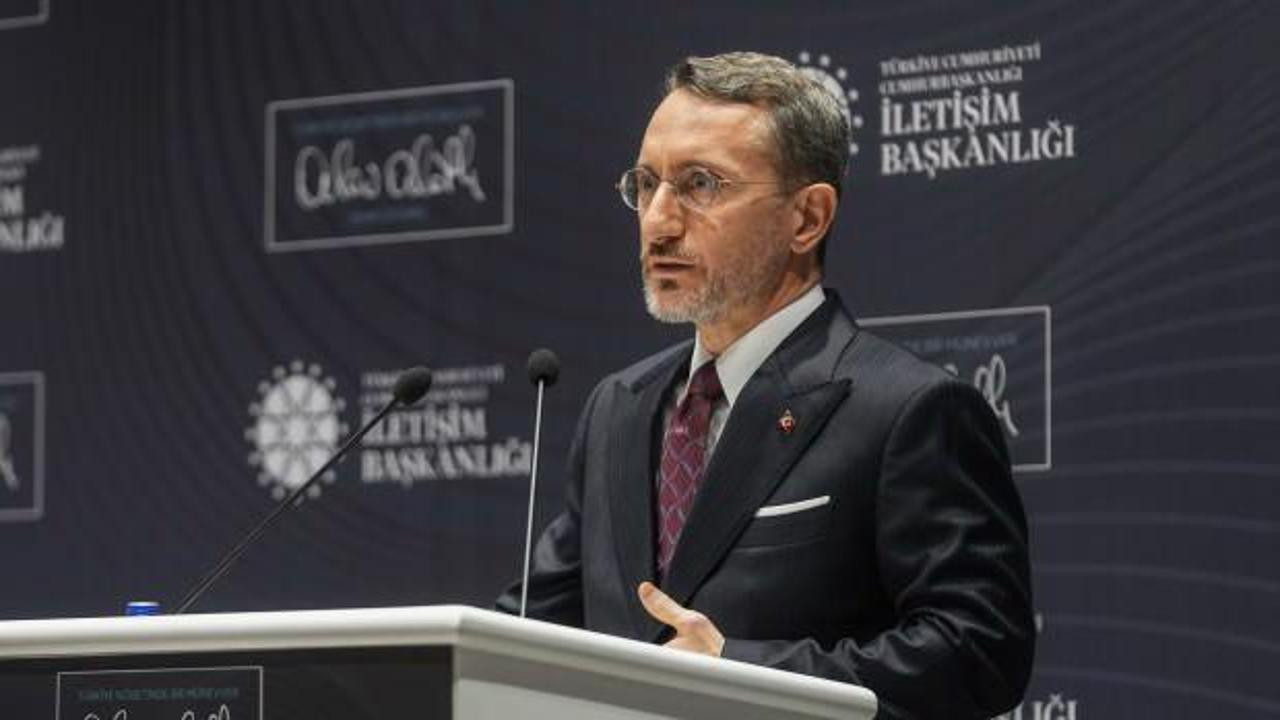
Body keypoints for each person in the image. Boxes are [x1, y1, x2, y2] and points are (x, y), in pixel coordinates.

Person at [497, 51, 1034, 719]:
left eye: (701, 185)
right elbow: (532, 631)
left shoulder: (906, 410)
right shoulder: (619, 408)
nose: (658, 221)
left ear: (807, 218)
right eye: (646, 183)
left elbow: (977, 648)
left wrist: (738, 671)